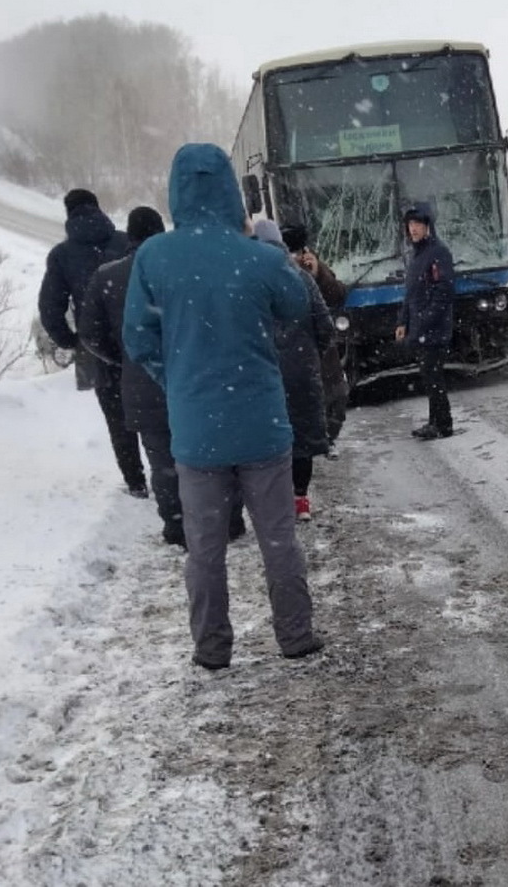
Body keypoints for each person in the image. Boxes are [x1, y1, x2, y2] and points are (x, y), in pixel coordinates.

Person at [123, 143, 323, 670]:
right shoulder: (257, 256)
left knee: (205, 550)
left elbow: (137, 339)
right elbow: (297, 304)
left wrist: (180, 380)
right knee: (278, 540)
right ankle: (295, 636)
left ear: (176, 191)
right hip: (262, 424)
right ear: (232, 191)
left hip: (196, 432)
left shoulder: (154, 257)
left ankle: (212, 650)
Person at [77, 206, 247, 548]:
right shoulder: (183, 269)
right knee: (213, 452)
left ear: (131, 234)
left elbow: (90, 335)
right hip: (194, 378)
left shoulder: (106, 277)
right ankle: (227, 520)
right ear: (161, 232)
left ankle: (176, 527)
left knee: (163, 461)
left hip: (141, 384)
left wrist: (125, 357)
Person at [38, 188, 144, 496]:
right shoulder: (126, 243)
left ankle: (136, 482)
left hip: (97, 347)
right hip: (140, 339)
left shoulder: (62, 255)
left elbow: (50, 306)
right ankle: (171, 472)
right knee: (157, 409)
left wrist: (70, 340)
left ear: (68, 214)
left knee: (117, 417)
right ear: (98, 209)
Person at [253, 219, 333, 522]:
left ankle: (276, 500)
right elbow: (325, 326)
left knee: (270, 439)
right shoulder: (301, 278)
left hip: (264, 374)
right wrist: (310, 355)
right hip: (301, 372)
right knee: (302, 439)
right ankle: (300, 499)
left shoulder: (246, 282)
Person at [281, 225, 350, 460]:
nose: (296, 257)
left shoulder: (314, 267)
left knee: (337, 398)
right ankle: (307, 445)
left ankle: (327, 438)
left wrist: (319, 273)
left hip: (322, 350)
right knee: (304, 402)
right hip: (295, 350)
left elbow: (338, 294)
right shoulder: (277, 272)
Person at [395, 202, 456, 440]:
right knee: (430, 377)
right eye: (410, 224)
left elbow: (444, 292)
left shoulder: (438, 253)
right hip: (421, 328)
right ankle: (436, 422)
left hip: (435, 329)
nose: (413, 229)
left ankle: (444, 424)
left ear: (428, 226)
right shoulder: (417, 255)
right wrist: (403, 321)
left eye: (418, 224)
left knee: (434, 377)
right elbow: (410, 294)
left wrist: (422, 322)